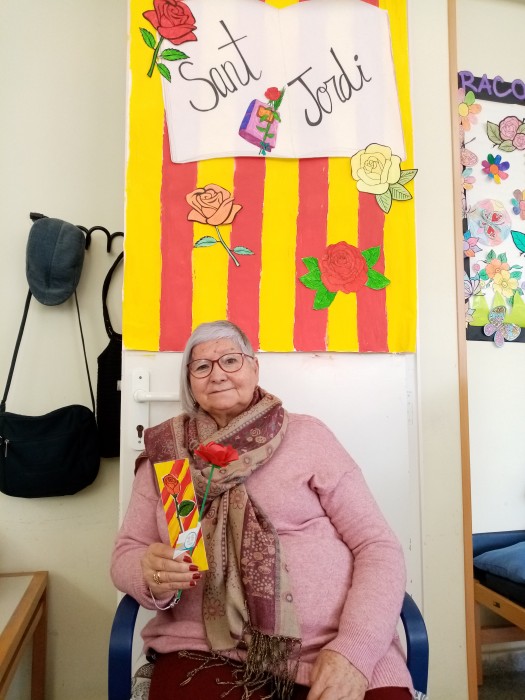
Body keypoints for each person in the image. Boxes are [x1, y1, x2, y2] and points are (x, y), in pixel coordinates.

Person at [111, 320, 415, 700]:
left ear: (254, 368)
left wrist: (354, 651)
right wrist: (148, 574)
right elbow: (127, 552)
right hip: (204, 648)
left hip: (330, 645)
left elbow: (377, 546)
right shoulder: (169, 455)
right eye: (201, 366)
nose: (217, 374)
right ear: (189, 382)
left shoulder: (308, 436)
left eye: (230, 360)